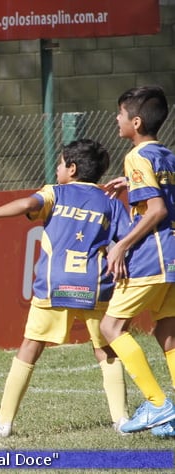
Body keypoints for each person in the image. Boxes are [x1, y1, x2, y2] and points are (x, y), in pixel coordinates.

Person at [0, 139, 130, 437]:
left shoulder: (55, 193)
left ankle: (3, 422)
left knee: (30, 347)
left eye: (60, 163)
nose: (56, 168)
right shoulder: (110, 203)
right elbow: (127, 240)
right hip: (94, 286)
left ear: (72, 168)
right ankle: (121, 420)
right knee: (106, 349)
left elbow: (28, 204)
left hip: (54, 285)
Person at [98, 85, 175, 437]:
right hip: (172, 257)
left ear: (137, 121)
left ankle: (158, 404)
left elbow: (156, 209)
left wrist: (121, 245)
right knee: (168, 333)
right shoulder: (167, 154)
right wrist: (131, 183)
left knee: (110, 328)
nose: (117, 119)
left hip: (151, 256)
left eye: (120, 114)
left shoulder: (135, 157)